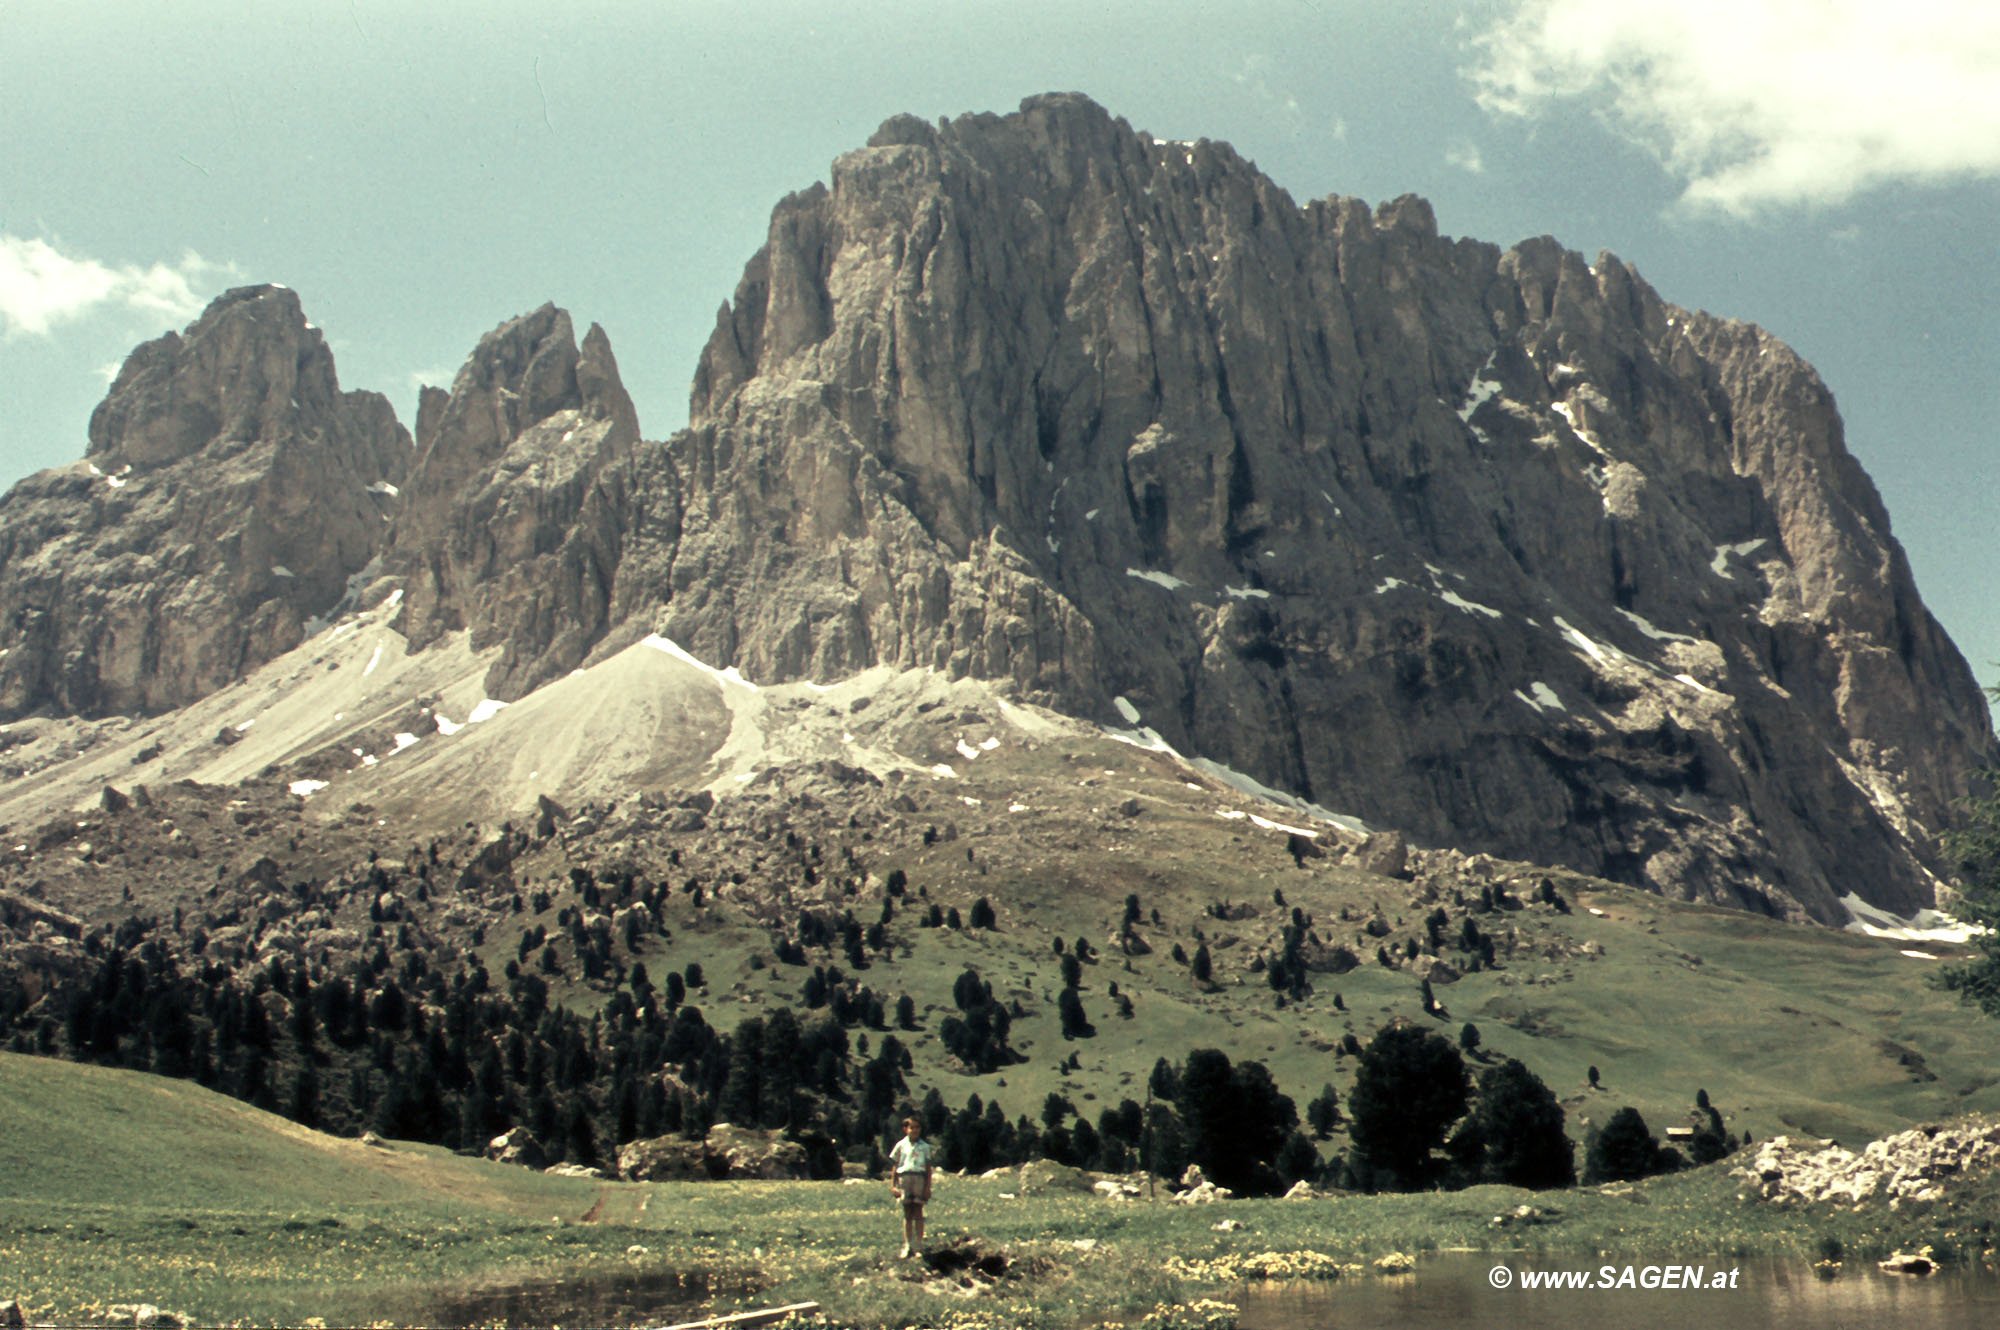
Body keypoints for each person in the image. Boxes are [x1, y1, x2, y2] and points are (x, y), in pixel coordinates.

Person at [887, 1115, 936, 1259]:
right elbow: (895, 1166)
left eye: (917, 1127)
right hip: (905, 1178)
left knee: (918, 1211)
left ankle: (918, 1245)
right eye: (911, 1127)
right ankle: (908, 1245)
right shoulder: (900, 1145)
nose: (915, 1130)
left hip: (919, 1178)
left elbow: (928, 1168)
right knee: (907, 1212)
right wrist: (893, 1185)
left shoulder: (925, 1147)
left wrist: (927, 1187)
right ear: (905, 1129)